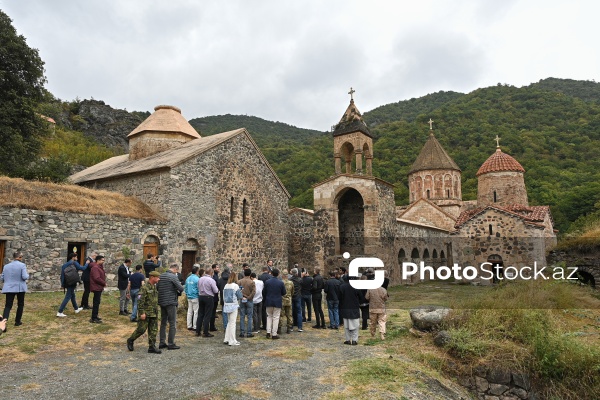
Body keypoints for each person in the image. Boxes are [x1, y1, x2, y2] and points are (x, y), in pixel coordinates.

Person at [127, 271, 162, 354]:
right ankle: (131, 340)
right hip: (146, 313)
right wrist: (142, 312)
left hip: (154, 312)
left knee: (153, 330)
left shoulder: (154, 287)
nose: (159, 279)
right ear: (152, 277)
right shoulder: (144, 287)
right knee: (141, 329)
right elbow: (140, 301)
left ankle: (152, 347)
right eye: (157, 277)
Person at [157, 264, 184, 350]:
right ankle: (171, 343)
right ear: (175, 269)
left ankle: (162, 342)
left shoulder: (161, 276)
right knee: (172, 323)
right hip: (171, 301)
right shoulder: (173, 277)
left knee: (163, 322)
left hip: (162, 301)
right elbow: (181, 288)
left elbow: (157, 287)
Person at [1, 252, 29, 327]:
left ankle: (3, 323)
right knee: (20, 304)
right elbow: (24, 277)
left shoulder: (6, 266)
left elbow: (2, 277)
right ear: (20, 257)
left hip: (9, 287)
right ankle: (17, 321)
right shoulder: (22, 265)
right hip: (20, 287)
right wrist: (28, 275)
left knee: (8, 305)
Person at [56, 252, 85, 317]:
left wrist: (62, 283)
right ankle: (60, 311)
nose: (77, 258)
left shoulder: (65, 264)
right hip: (72, 281)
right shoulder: (74, 263)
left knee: (72, 295)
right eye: (76, 257)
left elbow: (62, 274)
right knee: (68, 296)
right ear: (73, 257)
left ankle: (76, 309)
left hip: (67, 281)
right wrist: (87, 264)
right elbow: (82, 268)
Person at [196, 267, 218, 338]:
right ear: (211, 273)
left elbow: (198, 287)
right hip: (208, 297)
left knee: (200, 314)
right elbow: (215, 290)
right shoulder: (211, 280)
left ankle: (198, 331)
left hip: (201, 296)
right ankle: (205, 332)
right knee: (207, 315)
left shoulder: (200, 279)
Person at [263, 268, 285, 339]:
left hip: (269, 301)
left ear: (271, 273)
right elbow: (284, 292)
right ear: (278, 274)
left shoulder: (267, 282)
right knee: (276, 317)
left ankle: (268, 332)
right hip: (277, 301)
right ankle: (274, 333)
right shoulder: (281, 282)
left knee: (269, 316)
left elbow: (264, 292)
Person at [339, 276, 361, 345]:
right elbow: (360, 296)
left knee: (346, 325)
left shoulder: (342, 287)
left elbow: (340, 297)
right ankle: (354, 340)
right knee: (355, 325)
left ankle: (348, 339)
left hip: (345, 307)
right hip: (354, 307)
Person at [222, 272, 242, 346]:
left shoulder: (226, 286)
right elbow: (239, 296)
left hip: (227, 305)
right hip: (233, 305)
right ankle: (232, 340)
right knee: (233, 323)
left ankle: (226, 338)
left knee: (229, 322)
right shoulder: (235, 286)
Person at [238, 268, 256, 338]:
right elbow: (254, 292)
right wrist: (248, 297)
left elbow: (238, 290)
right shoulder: (251, 282)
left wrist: (241, 297)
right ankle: (249, 332)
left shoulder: (240, 281)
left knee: (242, 316)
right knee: (249, 316)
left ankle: (242, 332)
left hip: (242, 299)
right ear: (250, 274)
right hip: (249, 300)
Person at [89, 255, 106, 323]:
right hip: (96, 287)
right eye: (102, 260)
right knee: (96, 303)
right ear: (98, 260)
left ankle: (95, 316)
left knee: (97, 302)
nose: (103, 261)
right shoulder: (95, 268)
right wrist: (104, 283)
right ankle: (93, 318)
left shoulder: (99, 267)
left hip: (99, 287)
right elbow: (97, 278)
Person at [185, 265, 200, 331]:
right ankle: (195, 326)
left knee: (189, 311)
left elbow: (185, 288)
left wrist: (187, 294)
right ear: (197, 272)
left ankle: (189, 325)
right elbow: (199, 288)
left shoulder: (188, 278)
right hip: (195, 296)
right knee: (196, 312)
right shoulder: (197, 279)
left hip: (189, 296)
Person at [279, 269, 294, 334]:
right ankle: (289, 328)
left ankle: (279, 328)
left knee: (280, 315)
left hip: (282, 300)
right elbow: (292, 292)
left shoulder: (280, 282)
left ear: (282, 275)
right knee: (289, 315)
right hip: (288, 300)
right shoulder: (291, 283)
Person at [258, 264, 272, 330]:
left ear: (262, 270)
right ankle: (269, 325)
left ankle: (264, 324)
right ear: (267, 270)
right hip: (269, 294)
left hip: (262, 294)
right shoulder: (270, 276)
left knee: (263, 311)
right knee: (270, 311)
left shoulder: (260, 277)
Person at [289, 267, 303, 332]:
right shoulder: (300, 280)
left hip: (292, 296)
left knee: (291, 312)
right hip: (298, 296)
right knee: (299, 312)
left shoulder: (290, 280)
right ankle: (299, 327)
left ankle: (291, 326)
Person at [218, 264, 231, 329]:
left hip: (223, 297)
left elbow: (218, 287)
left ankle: (226, 326)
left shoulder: (220, 279)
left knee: (224, 312)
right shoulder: (231, 279)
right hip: (230, 298)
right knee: (231, 313)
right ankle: (230, 326)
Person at [210, 264, 220, 332]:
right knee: (212, 312)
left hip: (215, 296)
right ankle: (211, 326)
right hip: (213, 296)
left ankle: (212, 325)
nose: (218, 268)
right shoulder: (214, 277)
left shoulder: (216, 276)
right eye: (217, 267)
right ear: (213, 268)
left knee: (213, 312)